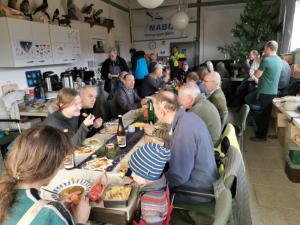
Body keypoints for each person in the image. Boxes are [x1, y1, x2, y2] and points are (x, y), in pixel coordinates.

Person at [0, 126, 91, 225]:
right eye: (62, 162)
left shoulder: (4, 194)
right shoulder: (52, 213)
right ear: (52, 166)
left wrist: (59, 206)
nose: (61, 168)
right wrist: (80, 221)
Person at [152, 91, 219, 203]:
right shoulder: (188, 117)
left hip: (196, 190)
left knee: (145, 194)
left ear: (162, 111)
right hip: (204, 179)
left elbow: (178, 177)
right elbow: (174, 143)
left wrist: (151, 183)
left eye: (154, 108)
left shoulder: (184, 129)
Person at [128, 143, 171, 225]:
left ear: (147, 176)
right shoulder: (159, 180)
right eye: (131, 170)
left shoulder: (150, 201)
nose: (132, 175)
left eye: (136, 173)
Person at [250, 40, 283, 141]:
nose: (264, 50)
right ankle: (262, 133)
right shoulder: (280, 60)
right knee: (266, 114)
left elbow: (257, 75)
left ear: (268, 49)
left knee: (258, 113)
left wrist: (256, 68)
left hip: (264, 91)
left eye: (265, 48)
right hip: (273, 91)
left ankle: (261, 136)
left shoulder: (266, 60)